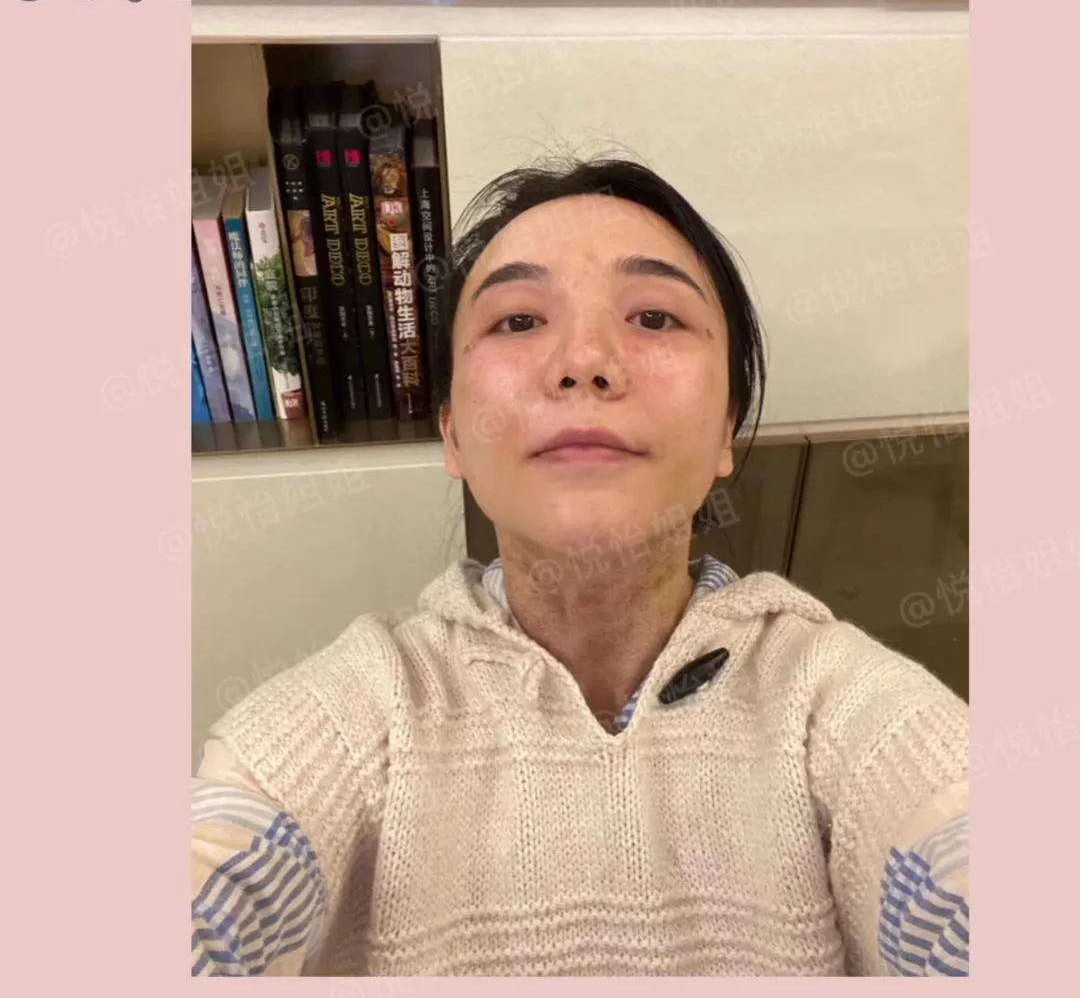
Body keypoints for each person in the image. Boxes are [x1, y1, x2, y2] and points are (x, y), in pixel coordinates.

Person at [191, 157, 969, 977]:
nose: (586, 359)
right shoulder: (361, 708)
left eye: (656, 317)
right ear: (453, 435)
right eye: (518, 321)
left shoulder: (834, 701)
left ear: (724, 432)